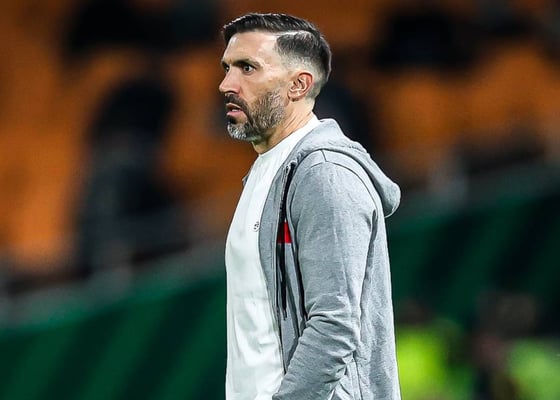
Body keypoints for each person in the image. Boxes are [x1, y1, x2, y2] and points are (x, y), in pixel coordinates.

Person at [219, 13, 402, 400]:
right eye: (227, 68)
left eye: (247, 68)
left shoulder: (324, 175)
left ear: (298, 85)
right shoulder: (267, 171)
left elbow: (334, 325)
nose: (226, 84)